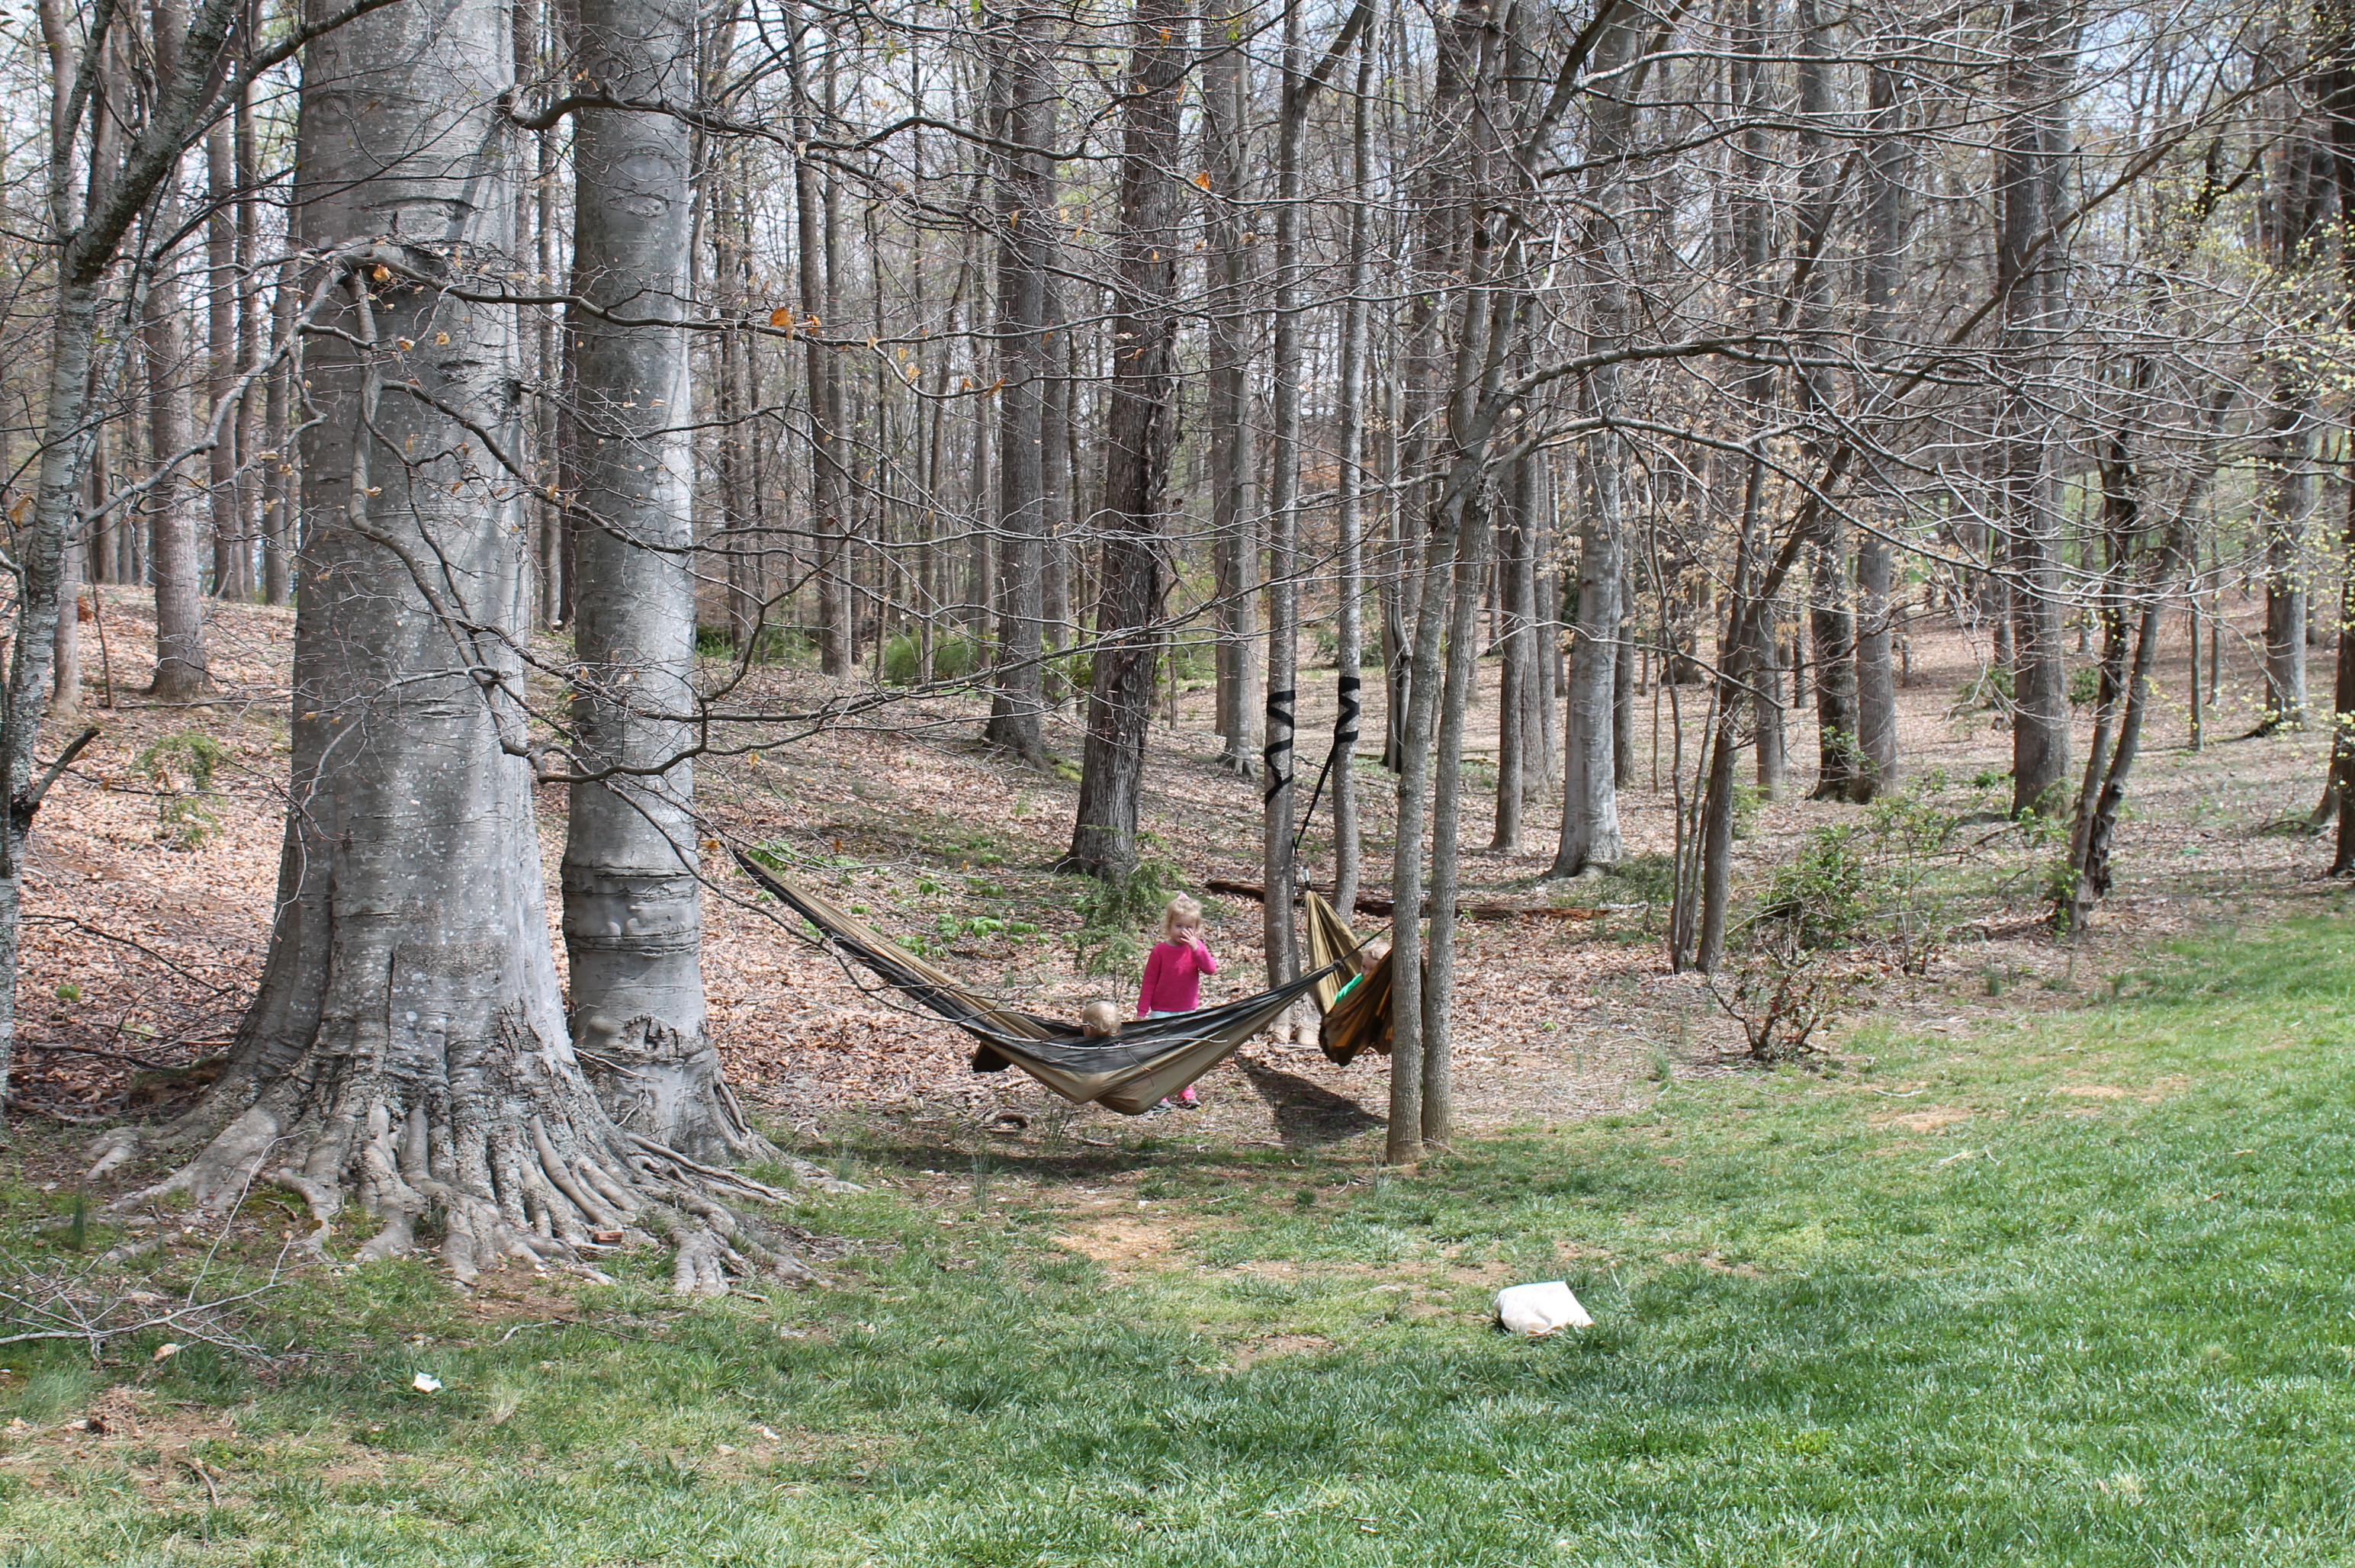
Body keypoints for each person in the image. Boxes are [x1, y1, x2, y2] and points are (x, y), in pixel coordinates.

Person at [1137, 895, 1216, 1108]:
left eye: (1189, 927)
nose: (1183, 931)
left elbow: (1210, 969)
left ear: (1197, 929)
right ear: (1169, 925)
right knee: (1161, 1052)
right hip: (1161, 1012)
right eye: (1178, 926)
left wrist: (1196, 948)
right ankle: (1159, 1092)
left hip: (1187, 1012)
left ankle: (1185, 1091)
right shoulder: (1160, 951)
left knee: (1185, 1052)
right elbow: (1149, 982)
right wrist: (1142, 1012)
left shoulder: (1196, 949)